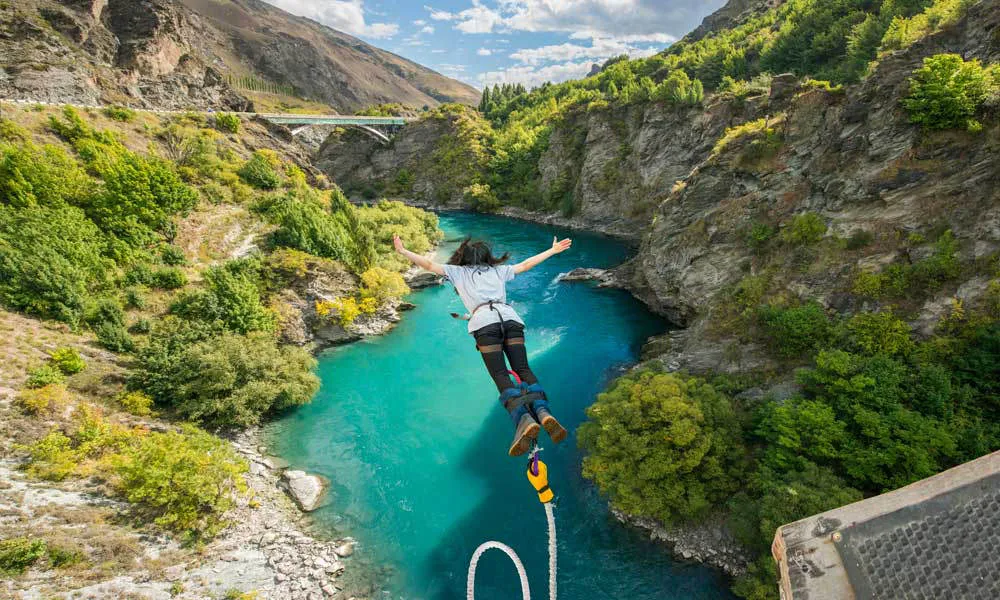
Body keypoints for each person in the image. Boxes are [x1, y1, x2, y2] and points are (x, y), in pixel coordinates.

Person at [393, 234, 573, 456]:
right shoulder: (499, 271)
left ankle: (523, 419)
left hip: (484, 323)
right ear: (488, 257)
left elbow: (429, 264)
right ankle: (543, 412)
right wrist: (552, 251)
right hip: (510, 318)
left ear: (464, 258)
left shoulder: (457, 272)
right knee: (523, 369)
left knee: (500, 374)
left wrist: (403, 251)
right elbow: (526, 265)